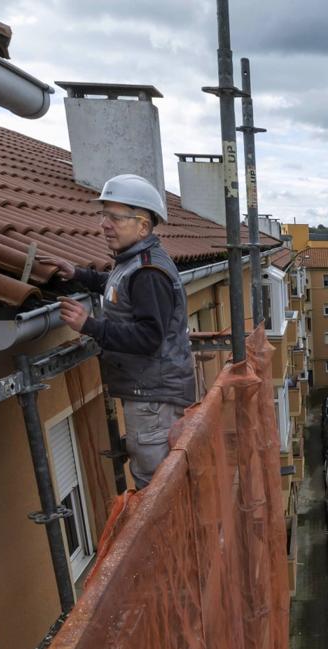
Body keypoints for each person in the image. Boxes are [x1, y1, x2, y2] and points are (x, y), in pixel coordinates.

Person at [38, 174, 195, 490]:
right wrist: (79, 274)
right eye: (103, 215)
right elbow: (116, 290)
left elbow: (149, 338)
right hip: (152, 391)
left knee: (156, 488)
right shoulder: (134, 263)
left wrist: (90, 325)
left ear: (142, 226)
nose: (104, 224)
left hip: (154, 397)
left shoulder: (148, 272)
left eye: (114, 217)